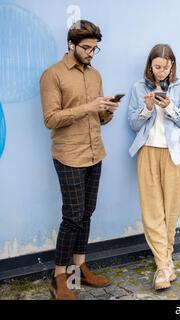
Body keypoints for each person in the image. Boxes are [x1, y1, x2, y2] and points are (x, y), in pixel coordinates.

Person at [40, 20, 118, 300]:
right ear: (71, 45)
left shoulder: (95, 75)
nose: (90, 53)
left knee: (87, 213)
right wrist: (88, 107)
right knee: (72, 217)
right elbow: (50, 119)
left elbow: (99, 119)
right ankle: (59, 277)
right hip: (69, 156)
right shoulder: (53, 75)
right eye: (86, 48)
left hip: (95, 152)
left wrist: (107, 110)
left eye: (95, 49)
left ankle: (78, 269)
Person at [128, 44, 180, 290]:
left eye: (166, 67)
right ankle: (164, 267)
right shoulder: (138, 88)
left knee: (171, 210)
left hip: (173, 153)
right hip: (147, 152)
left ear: (172, 66)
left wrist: (170, 108)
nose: (162, 72)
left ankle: (164, 263)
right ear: (150, 65)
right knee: (152, 211)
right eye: (157, 67)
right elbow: (133, 124)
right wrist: (146, 108)